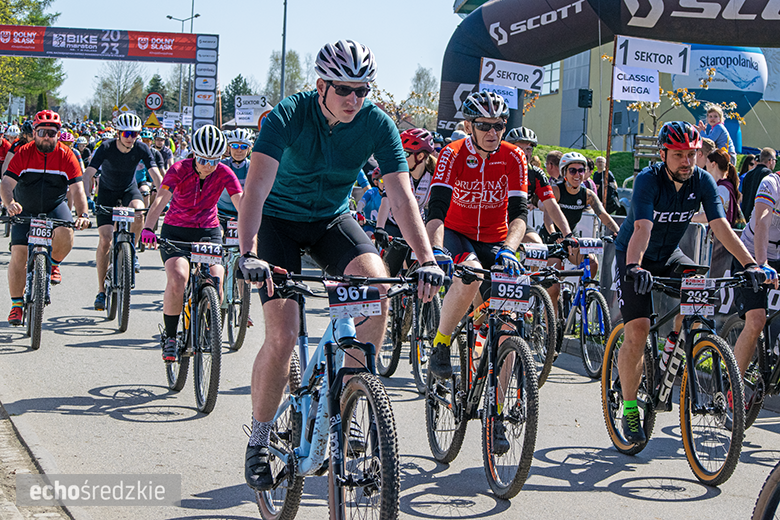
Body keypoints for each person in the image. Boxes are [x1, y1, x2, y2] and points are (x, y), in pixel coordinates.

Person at [235, 39, 444, 492]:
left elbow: (402, 195)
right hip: (278, 223)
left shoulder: (376, 123)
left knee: (378, 291)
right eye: (345, 89)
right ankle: (259, 436)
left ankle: (349, 400)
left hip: (331, 220)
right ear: (321, 85)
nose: (355, 99)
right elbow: (254, 189)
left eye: (363, 90)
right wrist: (247, 251)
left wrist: (426, 258)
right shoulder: (287, 116)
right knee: (284, 333)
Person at [613, 121, 765, 444]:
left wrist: (750, 263)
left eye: (692, 154)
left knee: (697, 288)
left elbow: (721, 225)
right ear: (663, 153)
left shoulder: (703, 181)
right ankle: (628, 408)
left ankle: (672, 344)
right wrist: (634, 267)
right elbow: (641, 228)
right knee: (638, 330)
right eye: (679, 154)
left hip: (670, 255)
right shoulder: (647, 180)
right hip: (633, 256)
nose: (687, 161)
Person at [425, 92, 527, 378]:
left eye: (499, 125)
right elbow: (436, 210)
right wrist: (435, 250)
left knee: (509, 323)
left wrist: (509, 248)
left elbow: (520, 214)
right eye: (484, 125)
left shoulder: (514, 156)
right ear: (469, 126)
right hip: (457, 233)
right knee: (471, 274)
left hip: (497, 240)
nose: (493, 132)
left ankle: (499, 415)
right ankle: (442, 342)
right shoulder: (452, 153)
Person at [141, 125, 242, 361]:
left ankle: (208, 325)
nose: (208, 165)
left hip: (208, 230)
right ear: (194, 154)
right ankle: (171, 336)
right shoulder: (178, 169)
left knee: (216, 278)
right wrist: (148, 227)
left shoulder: (225, 173)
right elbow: (159, 201)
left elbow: (242, 204)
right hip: (176, 231)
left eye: (214, 160)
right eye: (203, 159)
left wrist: (254, 232)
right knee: (178, 278)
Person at [1, 110, 90, 324]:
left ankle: (53, 263)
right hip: (25, 208)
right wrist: (9, 203)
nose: (47, 137)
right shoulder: (23, 152)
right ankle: (16, 305)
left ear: (58, 134)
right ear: (34, 132)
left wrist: (83, 214)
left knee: (66, 232)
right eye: (42, 132)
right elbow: (6, 183)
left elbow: (78, 190)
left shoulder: (67, 155)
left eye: (51, 133)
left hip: (54, 206)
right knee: (19, 255)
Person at [84, 113, 162, 311]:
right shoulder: (106, 147)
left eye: (134, 134)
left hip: (129, 189)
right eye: (127, 133)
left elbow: (156, 175)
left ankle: (131, 250)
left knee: (138, 212)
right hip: (107, 193)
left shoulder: (142, 147)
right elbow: (88, 174)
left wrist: (164, 197)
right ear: (118, 133)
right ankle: (101, 291)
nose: (131, 137)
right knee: (106, 239)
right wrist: (85, 200)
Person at [731, 162, 780, 389]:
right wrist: (762, 264)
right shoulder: (770, 184)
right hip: (750, 256)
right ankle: (734, 386)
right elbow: (762, 223)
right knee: (756, 320)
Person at [375, 128, 435, 248]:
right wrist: (379, 228)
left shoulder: (434, 175)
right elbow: (386, 200)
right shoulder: (397, 172)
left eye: (405, 154)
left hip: (415, 223)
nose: (400, 157)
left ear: (420, 156)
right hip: (391, 223)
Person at [217, 128, 252, 221]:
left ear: (249, 149)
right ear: (229, 148)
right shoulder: (220, 165)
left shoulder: (253, 167)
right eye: (235, 146)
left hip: (244, 214)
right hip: (221, 213)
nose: (239, 150)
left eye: (244, 147)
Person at [741, 147, 777, 221]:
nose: (775, 163)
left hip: (746, 217)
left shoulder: (748, 174)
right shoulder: (768, 174)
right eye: (775, 160)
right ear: (770, 161)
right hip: (757, 217)